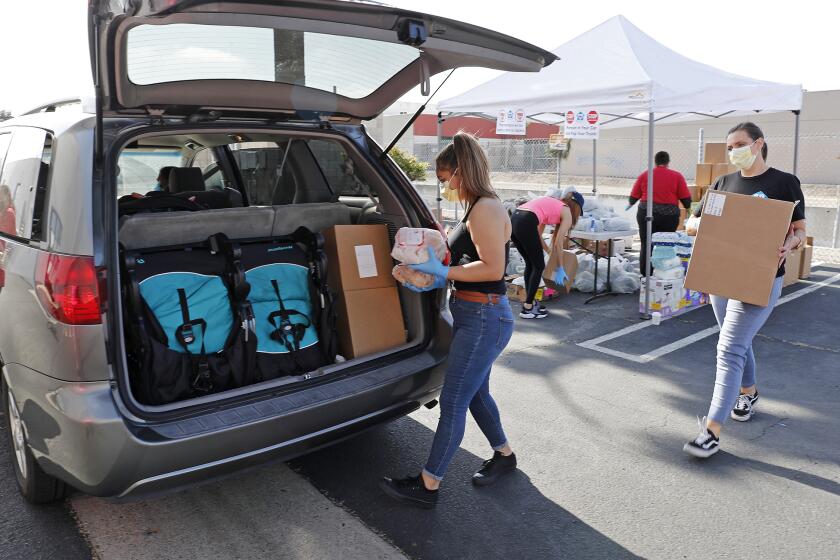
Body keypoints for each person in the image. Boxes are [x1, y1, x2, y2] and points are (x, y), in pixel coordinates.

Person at [381, 132, 516, 508]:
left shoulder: (486, 208)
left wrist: (442, 274)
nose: (445, 187)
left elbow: (493, 267)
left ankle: (427, 486)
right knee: (476, 395)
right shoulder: (476, 207)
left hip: (485, 317)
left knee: (454, 401)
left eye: (445, 179)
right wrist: (431, 269)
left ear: (459, 172)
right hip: (476, 314)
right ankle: (505, 456)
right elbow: (469, 261)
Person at [683, 122, 806, 459]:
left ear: (758, 143)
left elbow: (798, 230)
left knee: (728, 349)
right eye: (729, 146)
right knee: (735, 340)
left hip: (761, 278)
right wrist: (702, 225)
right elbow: (692, 223)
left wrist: (790, 244)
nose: (733, 150)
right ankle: (748, 392)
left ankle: (711, 431)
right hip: (723, 276)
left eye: (739, 143)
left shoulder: (784, 182)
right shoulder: (724, 183)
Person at [510, 189, 583, 319]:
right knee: (538, 266)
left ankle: (530, 302)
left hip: (515, 218)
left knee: (531, 264)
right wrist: (560, 267)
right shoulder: (566, 213)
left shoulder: (553, 204)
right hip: (526, 221)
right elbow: (558, 244)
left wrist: (548, 251)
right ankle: (528, 308)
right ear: (577, 208)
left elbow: (538, 235)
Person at [628, 151, 692, 275]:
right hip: (669, 216)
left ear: (655, 162)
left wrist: (630, 204)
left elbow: (632, 198)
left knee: (647, 245)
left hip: (646, 213)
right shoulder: (677, 176)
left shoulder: (645, 175)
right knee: (665, 245)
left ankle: (646, 276)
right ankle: (663, 276)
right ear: (668, 162)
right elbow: (686, 200)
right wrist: (689, 210)